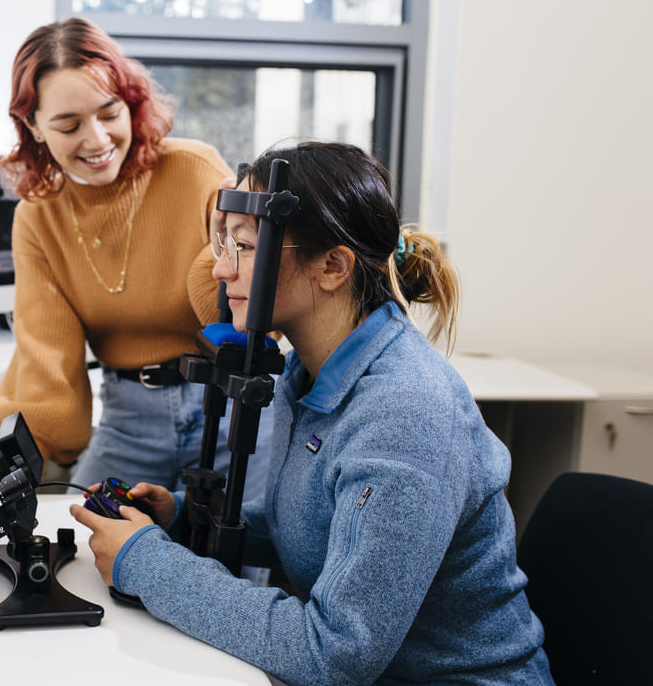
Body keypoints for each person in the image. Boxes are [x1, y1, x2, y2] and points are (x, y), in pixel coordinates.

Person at [69, 141, 554, 684]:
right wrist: (181, 518)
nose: (219, 270)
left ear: (331, 266)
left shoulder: (405, 414)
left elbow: (335, 655)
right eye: (222, 242)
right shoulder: (307, 372)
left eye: (246, 247)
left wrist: (148, 565)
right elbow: (319, 529)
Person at [0, 17, 272, 500]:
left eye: (109, 113)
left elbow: (254, 322)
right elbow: (46, 363)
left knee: (240, 560)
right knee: (81, 546)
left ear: (131, 105)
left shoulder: (195, 169)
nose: (97, 140)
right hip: (127, 419)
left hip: (228, 408)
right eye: (68, 124)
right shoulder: (38, 218)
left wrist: (221, 251)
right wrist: (7, 468)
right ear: (34, 128)